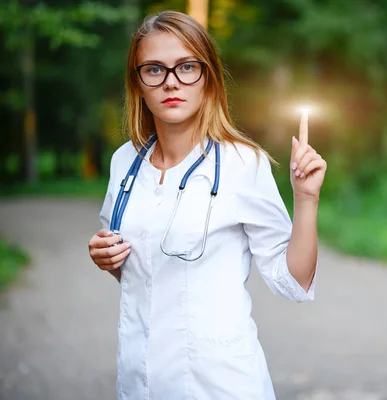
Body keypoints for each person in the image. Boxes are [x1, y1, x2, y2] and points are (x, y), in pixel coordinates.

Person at [87, 10, 326, 400]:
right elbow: (140, 272)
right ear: (138, 83)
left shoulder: (243, 163)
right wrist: (108, 258)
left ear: (208, 79)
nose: (171, 83)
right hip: (140, 377)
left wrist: (306, 198)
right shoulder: (124, 162)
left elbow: (293, 282)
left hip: (220, 382)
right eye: (154, 70)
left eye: (187, 67)